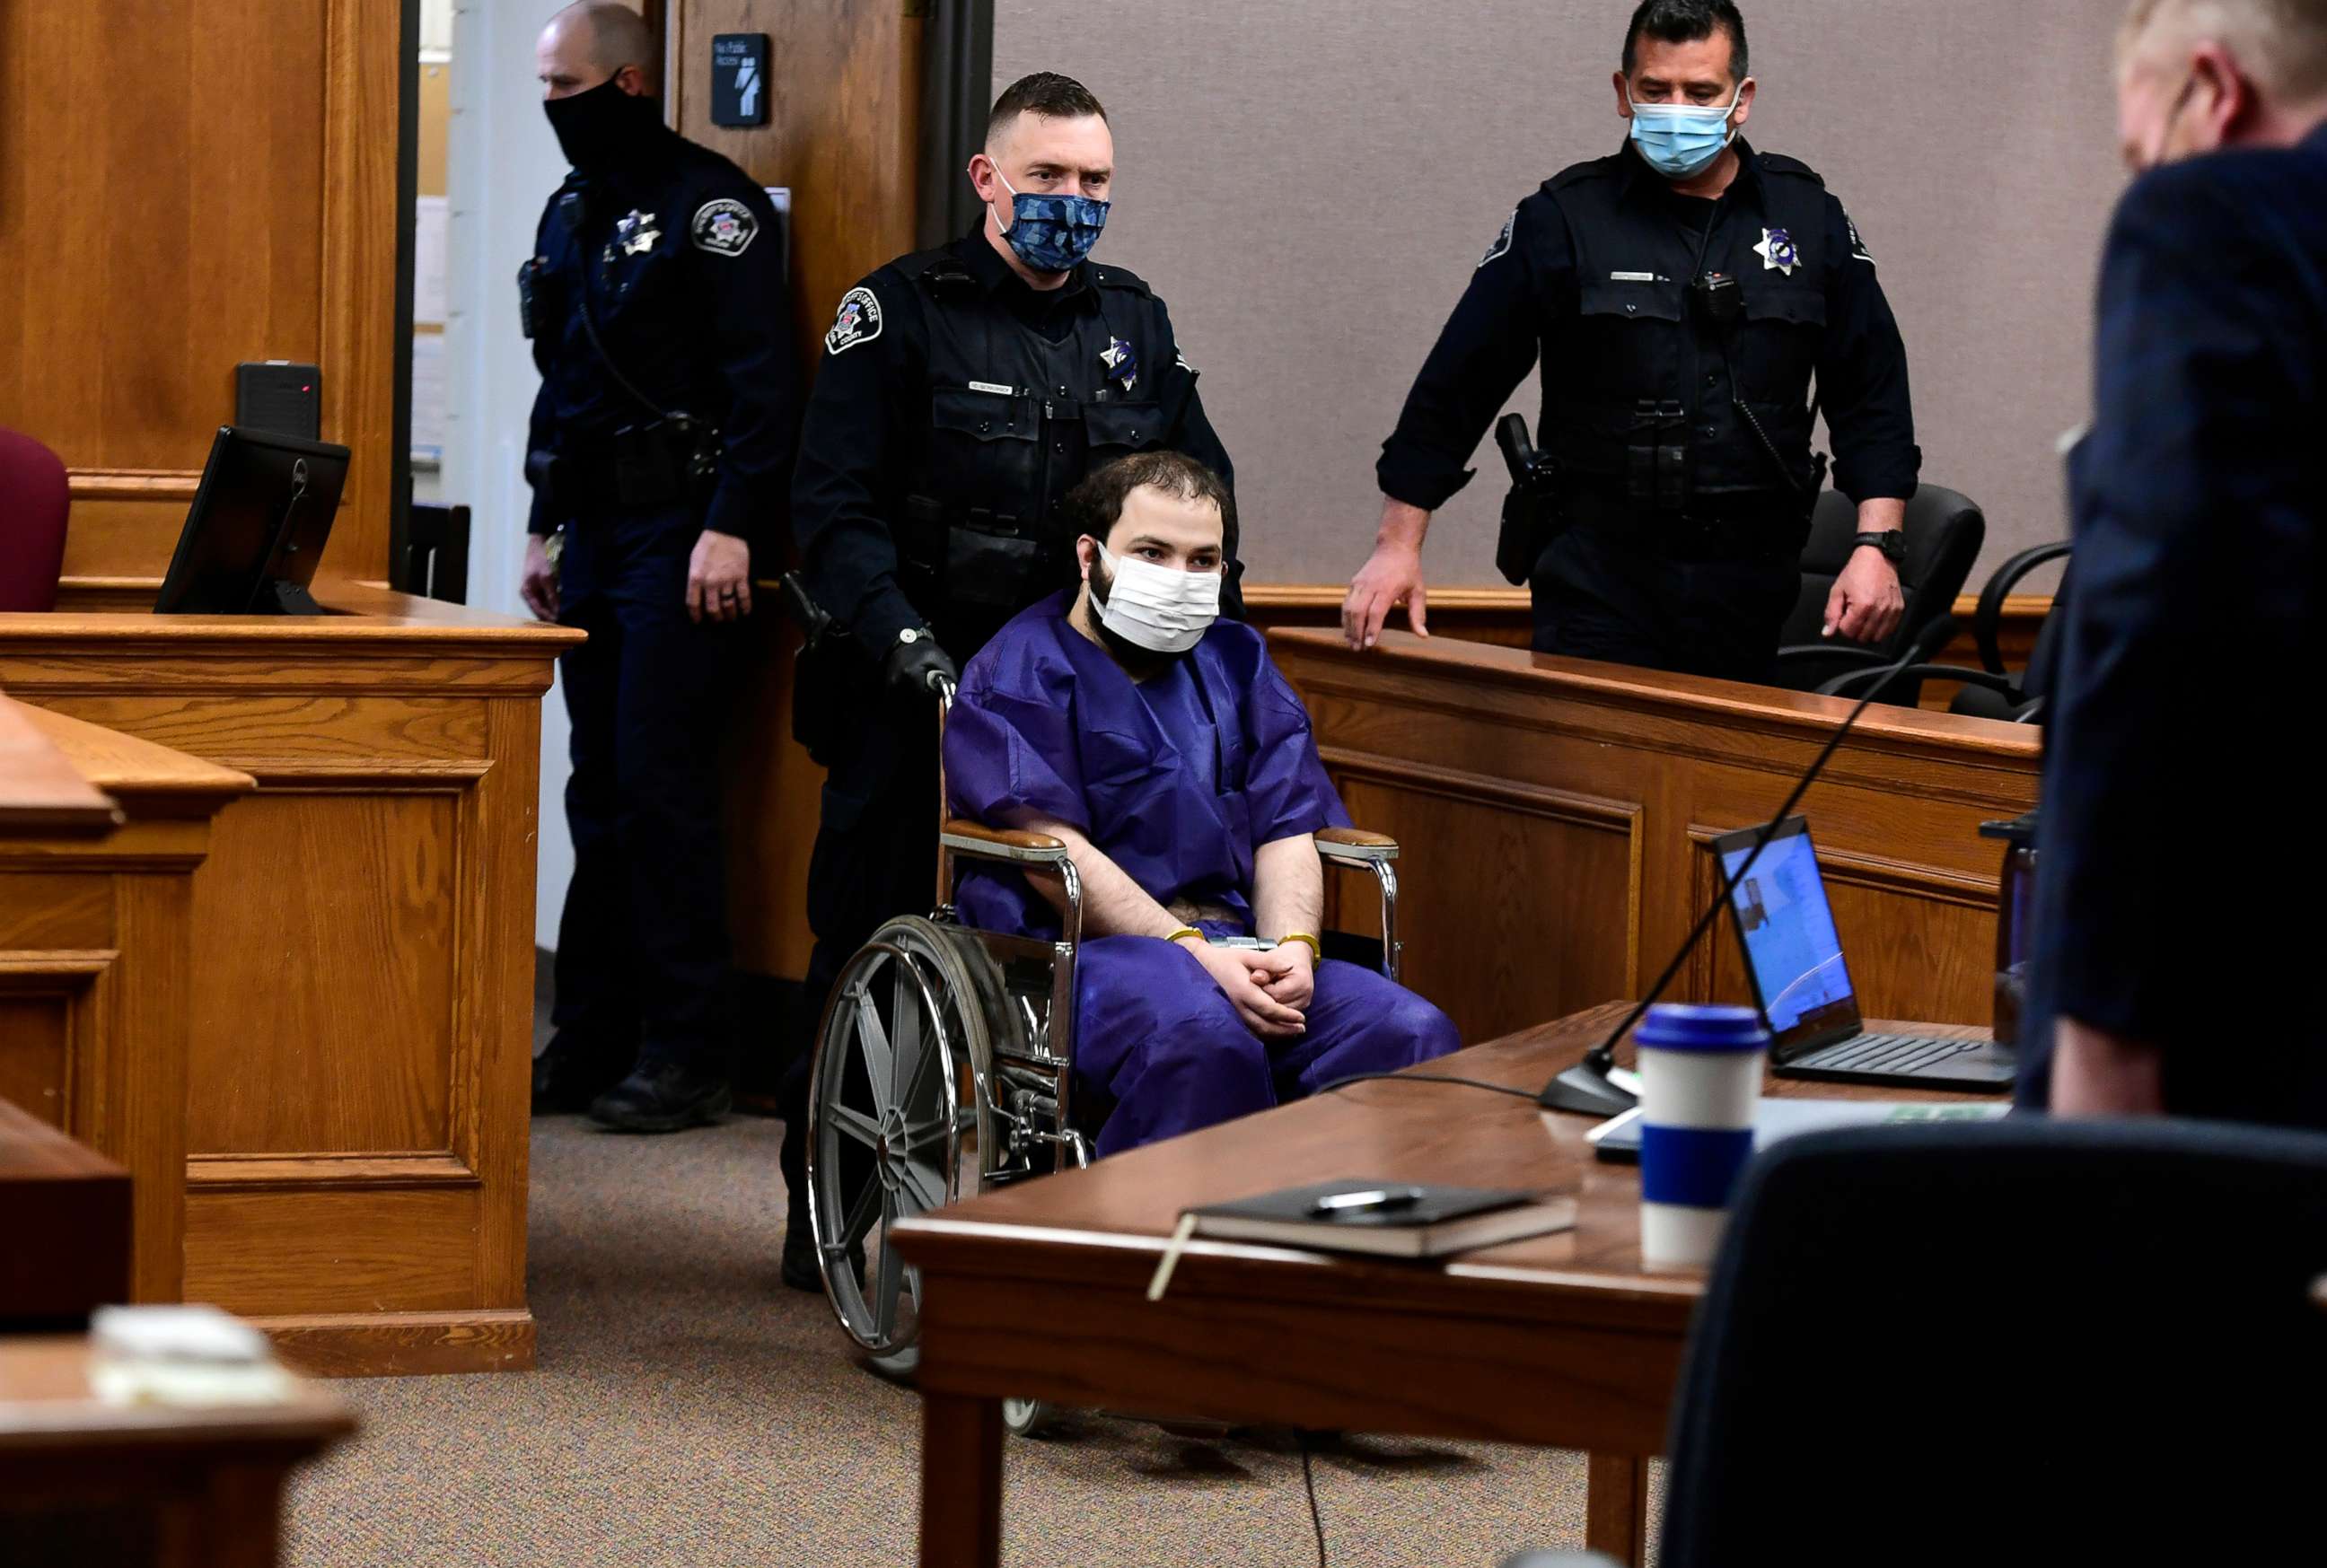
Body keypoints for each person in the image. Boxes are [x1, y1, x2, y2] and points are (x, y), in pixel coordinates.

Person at [778, 73, 1235, 1280]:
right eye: (1046, 178)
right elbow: (832, 511)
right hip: (916, 683)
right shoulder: (901, 312)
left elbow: (1197, 490)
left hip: (1079, 702)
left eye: (1092, 183)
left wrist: (1204, 637)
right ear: (989, 179)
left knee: (1064, 942)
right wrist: (904, 643)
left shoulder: (1134, 324)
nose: (1070, 204)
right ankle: (826, 1196)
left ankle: (1049, 1198)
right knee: (870, 927)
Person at [1343, 0, 1919, 685]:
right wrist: (1396, 546)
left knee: (1725, 784)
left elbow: (1872, 391)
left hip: (1753, 583)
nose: (1676, 109)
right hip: (1599, 577)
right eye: (1655, 90)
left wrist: (1876, 545)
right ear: (1623, 93)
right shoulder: (1563, 218)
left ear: (1742, 99)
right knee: (1598, 779)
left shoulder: (1807, 218)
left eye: (1701, 92)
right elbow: (1459, 384)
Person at [944, 451, 1461, 1153]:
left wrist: (1293, 952)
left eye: (1202, 560)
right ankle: (1171, 1257)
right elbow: (1053, 853)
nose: (1178, 579)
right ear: (1090, 554)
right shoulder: (1021, 670)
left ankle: (1336, 1252)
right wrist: (1191, 951)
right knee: (1206, 1040)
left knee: (1409, 1033)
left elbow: (1287, 826)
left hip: (1239, 942)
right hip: (1083, 952)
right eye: (1152, 552)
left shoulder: (1237, 662)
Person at [2027, 0, 2327, 1127]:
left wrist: (2104, 1037)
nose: (2142, 174)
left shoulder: (2213, 217)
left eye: (2139, 149)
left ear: (2216, 87)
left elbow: (2166, 620)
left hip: (2244, 1042)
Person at [520, 2, 798, 1131]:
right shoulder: (572, 208)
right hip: (597, 532)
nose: (551, 109)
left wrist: (734, 521)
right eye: (542, 89)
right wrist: (544, 524)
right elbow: (567, 386)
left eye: (564, 88)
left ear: (627, 84)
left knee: (660, 784)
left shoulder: (713, 208)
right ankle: (590, 1032)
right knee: (599, 790)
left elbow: (764, 381)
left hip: (685, 533)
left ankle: (687, 1045)